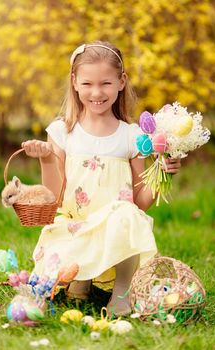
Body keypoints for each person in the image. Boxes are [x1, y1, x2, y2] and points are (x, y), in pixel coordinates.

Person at [21, 41, 181, 316]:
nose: (96, 92)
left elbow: (140, 203)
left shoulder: (132, 136)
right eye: (87, 84)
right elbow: (54, 197)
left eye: (106, 83)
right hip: (74, 226)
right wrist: (46, 159)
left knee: (128, 214)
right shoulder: (62, 132)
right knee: (56, 256)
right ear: (74, 82)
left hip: (113, 232)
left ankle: (122, 291)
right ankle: (81, 277)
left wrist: (160, 175)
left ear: (121, 81)